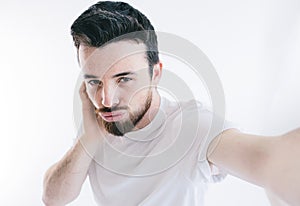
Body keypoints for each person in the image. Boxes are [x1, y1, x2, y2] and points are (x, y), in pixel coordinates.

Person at [42, 1, 300, 206]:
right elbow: (53, 198)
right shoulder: (100, 124)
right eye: (94, 82)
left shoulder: (192, 125)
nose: (106, 100)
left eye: (124, 79)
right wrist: (89, 138)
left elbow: (269, 160)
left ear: (156, 74)